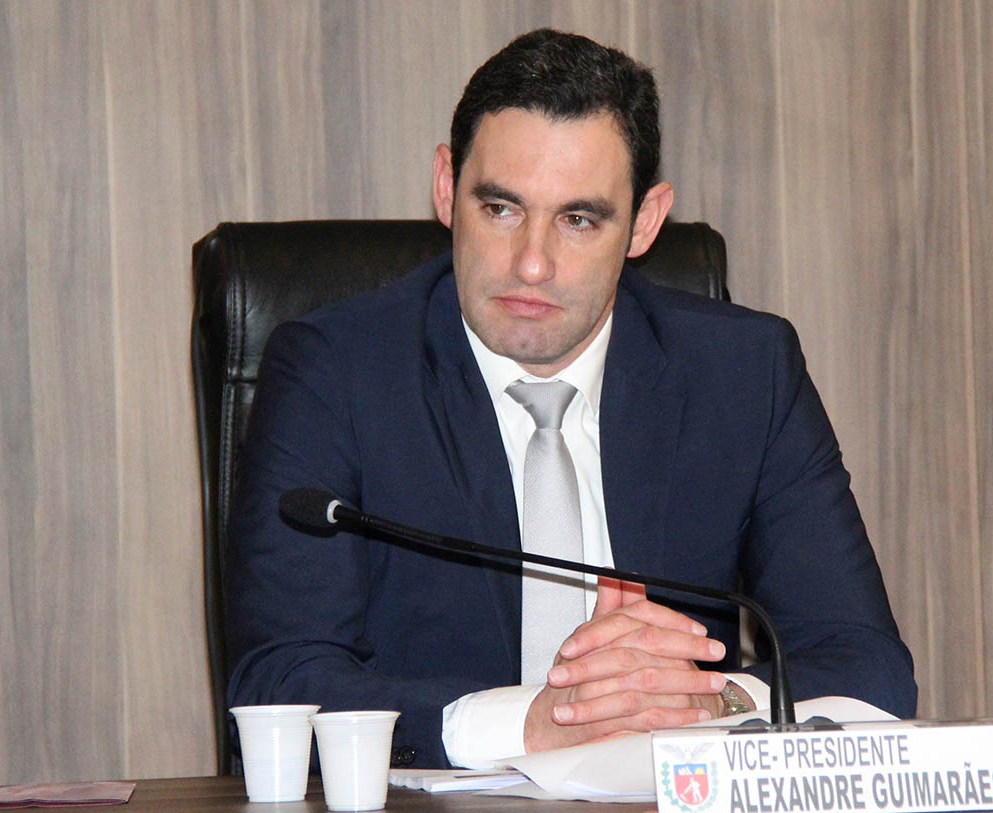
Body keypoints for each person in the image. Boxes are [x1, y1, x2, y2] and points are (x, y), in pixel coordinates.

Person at [224, 28, 916, 770]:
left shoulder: (744, 374)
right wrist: (531, 723)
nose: (532, 263)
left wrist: (707, 702)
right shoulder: (336, 374)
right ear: (446, 187)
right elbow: (279, 685)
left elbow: (867, 663)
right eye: (500, 208)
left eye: (578, 220)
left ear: (644, 222)